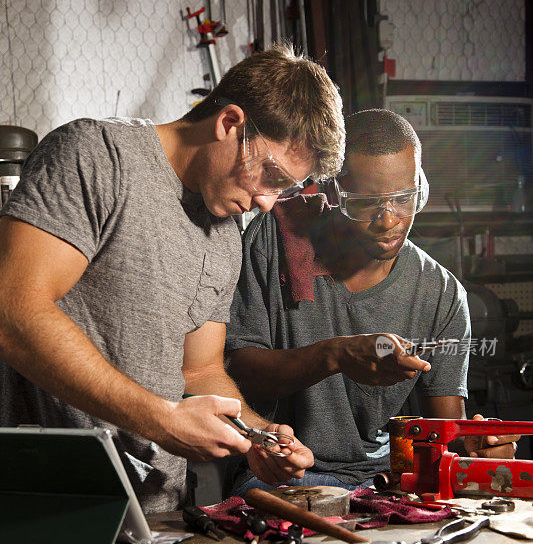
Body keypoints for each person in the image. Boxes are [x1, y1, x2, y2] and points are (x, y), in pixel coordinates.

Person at [0, 44, 346, 513]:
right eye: (270, 174)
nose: (267, 201)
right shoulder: (97, 156)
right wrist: (164, 420)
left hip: (154, 513)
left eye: (282, 189)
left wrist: (256, 436)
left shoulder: (225, 230)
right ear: (230, 124)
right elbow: (14, 310)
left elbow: (200, 370)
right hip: (53, 501)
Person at [225, 108, 517, 496]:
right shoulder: (274, 242)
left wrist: (474, 448)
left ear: (421, 191)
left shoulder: (441, 294)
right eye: (366, 203)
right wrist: (335, 356)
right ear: (333, 193)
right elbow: (236, 372)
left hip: (383, 481)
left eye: (403, 199)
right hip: (280, 475)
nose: (388, 220)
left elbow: (446, 431)